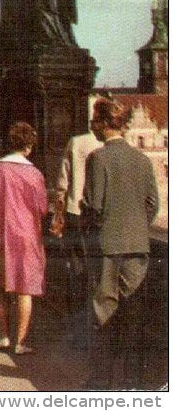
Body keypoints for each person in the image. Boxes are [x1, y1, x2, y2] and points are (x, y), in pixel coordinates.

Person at [83, 99, 159, 390]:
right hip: (139, 247)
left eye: (94, 120)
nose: (92, 126)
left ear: (103, 124)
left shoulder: (97, 159)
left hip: (107, 248)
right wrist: (137, 225)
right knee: (133, 313)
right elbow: (153, 203)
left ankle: (101, 380)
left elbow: (94, 207)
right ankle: (131, 380)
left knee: (103, 311)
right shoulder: (141, 159)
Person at [0, 121, 48, 355]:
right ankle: (20, 342)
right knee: (25, 288)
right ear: (28, 147)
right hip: (26, 236)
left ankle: (5, 336)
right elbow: (42, 208)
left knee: (2, 287)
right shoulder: (35, 173)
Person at [53, 127, 103, 344]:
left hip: (76, 215)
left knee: (76, 274)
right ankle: (99, 329)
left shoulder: (76, 142)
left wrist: (58, 216)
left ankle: (78, 334)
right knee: (100, 276)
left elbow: (62, 184)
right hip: (99, 219)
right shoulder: (109, 145)